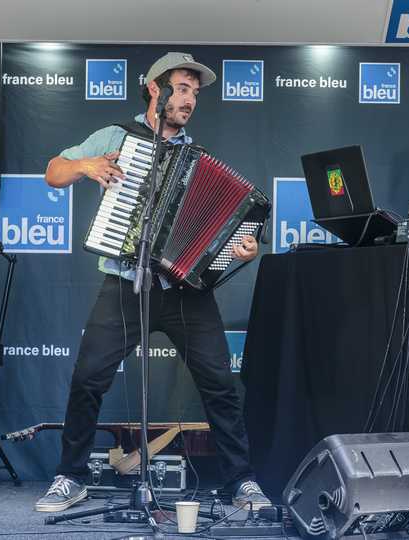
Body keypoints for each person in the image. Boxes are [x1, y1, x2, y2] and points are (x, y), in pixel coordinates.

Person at [37, 52, 270, 513]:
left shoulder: (194, 157)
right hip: (126, 282)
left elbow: (221, 235)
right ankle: (71, 477)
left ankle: (240, 481)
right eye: (181, 89)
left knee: (220, 385)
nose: (189, 100)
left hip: (185, 292)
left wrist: (242, 248)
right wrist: (86, 166)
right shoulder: (116, 137)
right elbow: (53, 172)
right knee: (88, 379)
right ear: (154, 89)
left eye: (194, 93)